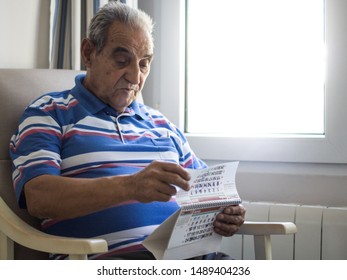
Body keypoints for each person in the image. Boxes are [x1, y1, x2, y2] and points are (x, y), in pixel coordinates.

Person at [9, 1, 245, 260]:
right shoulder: (49, 112)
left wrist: (227, 211)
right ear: (89, 53)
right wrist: (130, 187)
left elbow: (208, 191)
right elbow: (39, 197)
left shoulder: (163, 126)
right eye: (122, 60)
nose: (135, 77)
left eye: (144, 64)